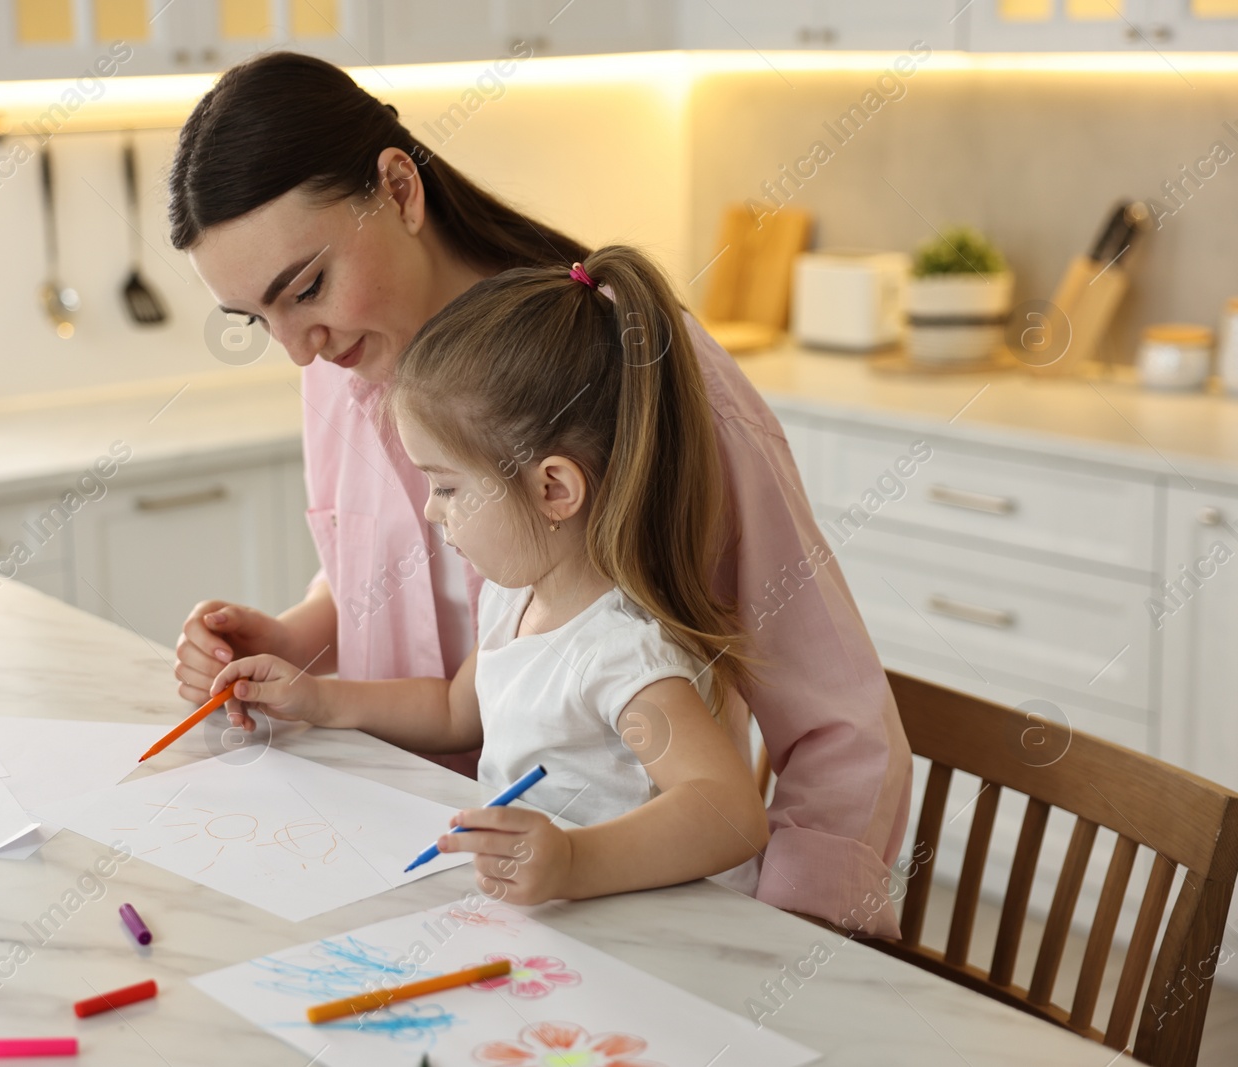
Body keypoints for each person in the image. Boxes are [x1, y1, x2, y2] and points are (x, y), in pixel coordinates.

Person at [169, 52, 910, 933]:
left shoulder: (645, 381)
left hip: (621, 918)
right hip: (424, 880)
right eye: (259, 319)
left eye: (307, 288)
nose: (296, 348)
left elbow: (842, 731)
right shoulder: (341, 360)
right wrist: (299, 633)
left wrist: (790, 954)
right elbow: (399, 565)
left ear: (401, 189)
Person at [209, 247, 773, 904]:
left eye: (447, 487)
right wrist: (320, 699)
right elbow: (456, 709)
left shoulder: (621, 652)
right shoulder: (515, 595)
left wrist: (573, 859)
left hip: (659, 949)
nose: (429, 509)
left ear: (553, 488)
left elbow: (732, 810)